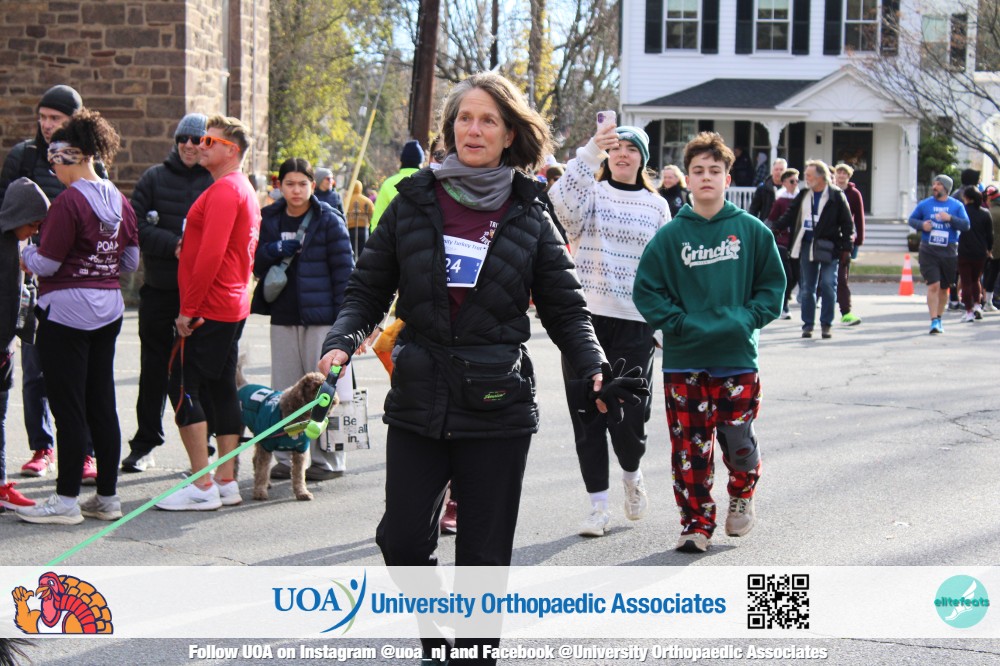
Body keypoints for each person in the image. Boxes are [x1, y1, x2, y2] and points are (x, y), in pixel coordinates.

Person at [317, 72, 611, 665]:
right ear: (450, 129)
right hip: (419, 394)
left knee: (483, 557)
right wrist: (342, 339)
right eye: (464, 119)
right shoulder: (413, 200)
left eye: (488, 120)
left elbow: (566, 308)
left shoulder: (530, 212)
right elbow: (367, 288)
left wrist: (595, 366)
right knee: (402, 542)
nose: (474, 130)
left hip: (497, 402)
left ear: (509, 134)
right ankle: (434, 638)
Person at [633, 131, 785, 553]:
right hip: (685, 359)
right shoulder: (670, 236)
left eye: (714, 171)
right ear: (688, 177)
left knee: (738, 439)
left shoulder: (751, 232)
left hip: (737, 356)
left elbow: (772, 289)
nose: (705, 177)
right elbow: (646, 290)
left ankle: (742, 493)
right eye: (697, 170)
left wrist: (747, 319)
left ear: (726, 178)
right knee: (690, 449)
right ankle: (696, 523)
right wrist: (678, 324)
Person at [16, 109, 139, 524]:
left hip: (66, 311)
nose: (54, 171)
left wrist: (25, 253)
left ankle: (66, 500)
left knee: (67, 406)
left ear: (68, 157)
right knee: (102, 402)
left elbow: (48, 263)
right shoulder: (119, 199)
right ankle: (107, 496)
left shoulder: (68, 202)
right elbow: (130, 261)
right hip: (109, 307)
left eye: (55, 163)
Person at [549, 121, 669, 537]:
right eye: (615, 148)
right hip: (585, 321)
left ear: (642, 159)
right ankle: (597, 507)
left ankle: (632, 475)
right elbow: (560, 206)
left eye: (631, 149)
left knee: (629, 417)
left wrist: (661, 326)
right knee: (587, 415)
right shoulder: (591, 193)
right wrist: (589, 152)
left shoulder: (657, 206)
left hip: (635, 322)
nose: (622, 154)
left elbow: (665, 268)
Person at [154, 115, 261, 511]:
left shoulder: (226, 190)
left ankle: (202, 484)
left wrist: (188, 309)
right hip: (230, 303)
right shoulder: (240, 188)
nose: (200, 145)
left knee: (183, 384)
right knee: (221, 387)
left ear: (230, 150)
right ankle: (225, 480)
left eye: (209, 141)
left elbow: (211, 255)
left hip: (212, 306)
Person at [0, 84, 104, 484]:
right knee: (34, 371)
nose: (46, 124)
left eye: (55, 118)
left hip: (73, 280)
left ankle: (85, 453)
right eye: (42, 117)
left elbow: (101, 219)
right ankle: (42, 448)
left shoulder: (89, 161)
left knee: (79, 374)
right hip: (29, 276)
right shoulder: (23, 155)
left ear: (73, 120)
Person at [251, 157, 354, 482]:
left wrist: (347, 324)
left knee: (327, 390)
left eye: (302, 184)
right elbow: (254, 262)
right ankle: (287, 455)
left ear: (312, 185)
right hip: (283, 314)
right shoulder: (268, 217)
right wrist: (273, 249)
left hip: (323, 319)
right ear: (279, 186)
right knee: (286, 390)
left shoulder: (329, 219)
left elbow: (345, 273)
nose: (296, 190)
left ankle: (329, 459)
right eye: (289, 184)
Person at [122, 113, 214, 473]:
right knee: (153, 370)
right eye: (183, 139)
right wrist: (175, 244)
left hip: (203, 294)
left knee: (199, 372)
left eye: (197, 140)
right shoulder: (154, 178)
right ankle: (145, 443)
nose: (189, 146)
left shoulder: (214, 180)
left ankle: (204, 444)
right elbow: (134, 226)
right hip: (161, 291)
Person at [0, 178, 50, 511]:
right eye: (32, 224)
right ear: (17, 216)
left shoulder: (20, 243)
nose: (35, 231)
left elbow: (21, 293)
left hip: (6, 347)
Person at [773, 160, 854, 339]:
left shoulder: (836, 196)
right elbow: (788, 216)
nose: (806, 178)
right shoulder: (804, 195)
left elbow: (848, 224)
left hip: (829, 246)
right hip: (807, 245)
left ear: (820, 177)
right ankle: (808, 325)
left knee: (828, 284)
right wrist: (772, 230)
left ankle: (826, 324)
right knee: (807, 288)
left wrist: (846, 249)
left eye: (809, 175)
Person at [907, 174, 970, 334]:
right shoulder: (925, 204)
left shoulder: (956, 205)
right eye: (934, 184)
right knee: (933, 285)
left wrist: (950, 219)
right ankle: (934, 320)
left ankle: (939, 318)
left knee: (944, 288)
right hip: (928, 250)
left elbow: (966, 225)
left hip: (949, 251)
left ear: (946, 188)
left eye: (939, 184)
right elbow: (912, 220)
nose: (934, 187)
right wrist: (922, 225)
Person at [766, 168, 801, 319]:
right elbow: (772, 220)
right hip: (782, 241)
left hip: (797, 241)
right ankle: (784, 305)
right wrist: (771, 235)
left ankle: (784, 297)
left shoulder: (801, 198)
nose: (795, 184)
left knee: (796, 275)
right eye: (792, 181)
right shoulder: (780, 200)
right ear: (785, 183)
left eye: (797, 181)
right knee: (787, 274)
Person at [832, 163, 865, 326]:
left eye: (844, 173)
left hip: (845, 238)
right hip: (828, 238)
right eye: (839, 173)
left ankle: (845, 310)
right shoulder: (829, 191)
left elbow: (859, 217)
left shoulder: (854, 194)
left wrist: (859, 238)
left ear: (848, 176)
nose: (841, 176)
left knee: (842, 277)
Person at [369, 140, 424, 232]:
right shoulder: (428, 183)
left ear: (402, 161)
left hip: (393, 238)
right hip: (422, 238)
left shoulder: (388, 184)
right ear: (421, 162)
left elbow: (377, 220)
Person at [957, 187, 993, 322]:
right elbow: (990, 235)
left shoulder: (962, 212)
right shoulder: (985, 213)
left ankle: (969, 311)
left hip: (964, 251)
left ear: (967, 198)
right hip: (980, 251)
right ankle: (977, 305)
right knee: (976, 279)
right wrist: (989, 249)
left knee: (966, 281)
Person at [344, 179, 374, 260]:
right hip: (363, 228)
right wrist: (368, 222)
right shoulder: (367, 200)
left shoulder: (347, 200)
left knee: (352, 251)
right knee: (363, 251)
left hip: (350, 229)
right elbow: (372, 214)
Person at [982, 185, 1000, 310]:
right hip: (995, 249)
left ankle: (986, 301)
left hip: (990, 249)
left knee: (989, 274)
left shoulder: (989, 213)